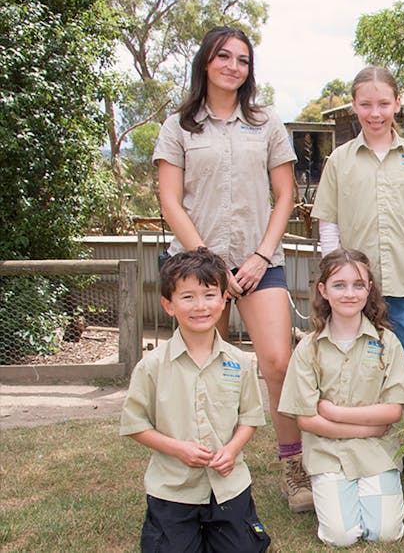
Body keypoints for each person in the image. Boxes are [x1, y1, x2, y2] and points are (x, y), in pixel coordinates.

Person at [153, 26, 310, 512]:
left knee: (278, 365)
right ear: (205, 62)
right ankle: (206, 468)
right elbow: (169, 199)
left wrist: (262, 255)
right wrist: (209, 263)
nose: (233, 67)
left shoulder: (266, 123)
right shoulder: (180, 126)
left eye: (243, 60)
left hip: (261, 261)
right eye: (224, 57)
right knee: (204, 369)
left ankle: (294, 467)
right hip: (200, 268)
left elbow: (285, 195)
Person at [310, 66, 404, 485]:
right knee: (359, 370)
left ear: (397, 104)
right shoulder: (339, 160)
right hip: (357, 290)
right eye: (366, 104)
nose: (375, 113)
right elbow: (329, 223)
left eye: (383, 104)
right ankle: (363, 446)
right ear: (354, 105)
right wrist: (337, 280)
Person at [120, 248, 269, 552]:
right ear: (168, 305)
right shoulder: (152, 366)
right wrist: (178, 449)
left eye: (209, 295)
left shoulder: (241, 362)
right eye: (187, 297)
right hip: (173, 488)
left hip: (228, 486)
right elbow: (135, 424)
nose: (200, 306)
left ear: (225, 298)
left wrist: (232, 450)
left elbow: (250, 418)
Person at [277, 249, 404, 547]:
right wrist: (368, 426)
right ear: (323, 290)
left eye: (358, 284)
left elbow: (393, 412)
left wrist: (333, 412)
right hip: (328, 452)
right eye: (339, 285)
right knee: (340, 537)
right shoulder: (309, 348)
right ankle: (331, 492)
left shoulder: (385, 342)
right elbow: (306, 419)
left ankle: (356, 495)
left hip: (376, 451)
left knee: (386, 532)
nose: (349, 293)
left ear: (369, 289)